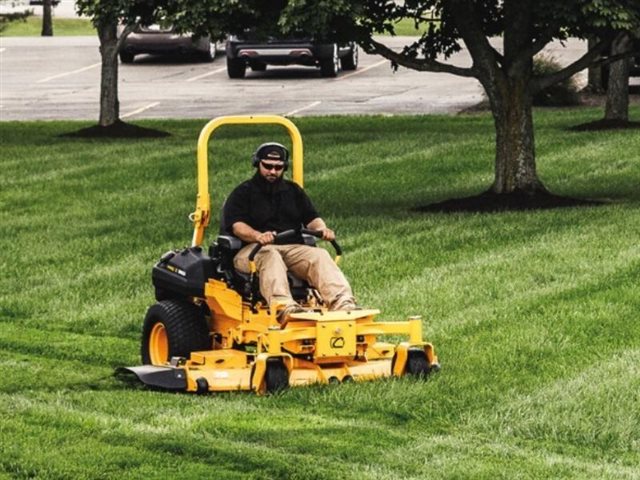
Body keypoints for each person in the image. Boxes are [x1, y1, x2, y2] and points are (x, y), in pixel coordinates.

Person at [223, 142, 357, 324]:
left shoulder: (293, 192)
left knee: (319, 255)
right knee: (270, 254)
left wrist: (322, 229)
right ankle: (284, 307)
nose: (272, 171)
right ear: (257, 164)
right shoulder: (243, 193)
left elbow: (312, 218)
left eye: (278, 168)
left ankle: (343, 304)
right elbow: (236, 225)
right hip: (252, 250)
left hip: (291, 247)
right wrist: (258, 236)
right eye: (268, 166)